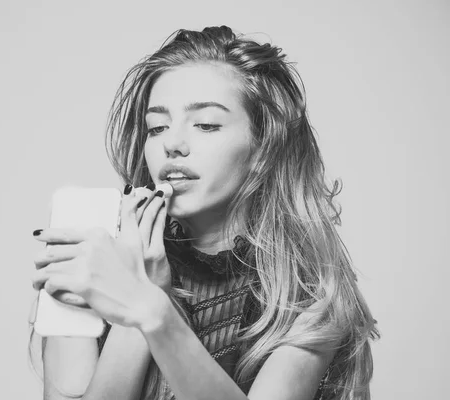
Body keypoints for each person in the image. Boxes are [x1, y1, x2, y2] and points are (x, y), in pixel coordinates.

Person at [29, 25, 379, 400]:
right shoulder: (96, 263)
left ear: (263, 152)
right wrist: (140, 300)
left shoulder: (309, 294)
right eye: (157, 127)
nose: (173, 144)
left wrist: (151, 310)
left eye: (206, 125)